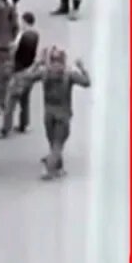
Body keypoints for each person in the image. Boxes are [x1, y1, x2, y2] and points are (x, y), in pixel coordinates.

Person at [16, 47, 91, 180]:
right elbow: (86, 83)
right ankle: (49, 170)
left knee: (53, 143)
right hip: (63, 114)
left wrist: (37, 64)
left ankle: (58, 167)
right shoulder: (69, 74)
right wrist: (82, 67)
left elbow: (26, 77)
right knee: (58, 144)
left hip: (49, 114)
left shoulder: (45, 72)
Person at [1, 11, 39, 137]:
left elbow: (14, 51)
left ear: (25, 22)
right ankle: (24, 124)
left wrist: (13, 45)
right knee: (25, 100)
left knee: (10, 101)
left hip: (19, 72)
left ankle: (5, 129)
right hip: (30, 71)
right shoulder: (35, 35)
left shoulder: (23, 37)